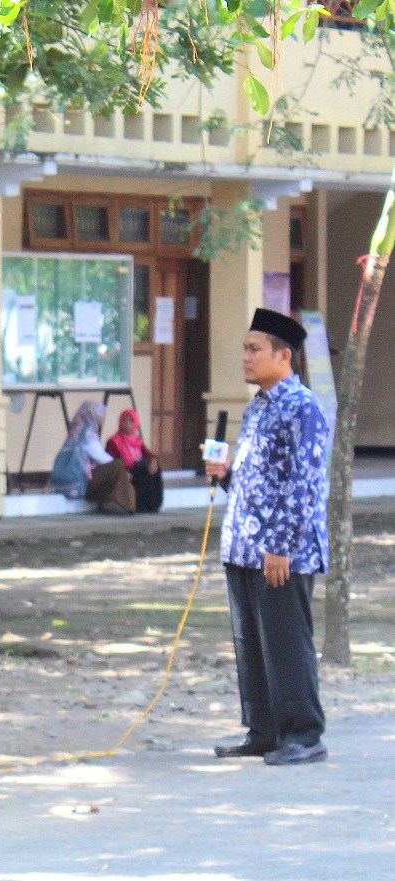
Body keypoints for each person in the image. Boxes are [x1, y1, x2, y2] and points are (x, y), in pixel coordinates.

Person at [206, 308, 330, 767]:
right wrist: (224, 475)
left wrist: (280, 544)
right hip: (243, 548)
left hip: (282, 552)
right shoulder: (258, 405)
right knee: (250, 642)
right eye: (245, 348)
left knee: (285, 642)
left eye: (254, 349)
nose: (246, 357)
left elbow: (305, 482)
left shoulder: (303, 408)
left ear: (284, 356)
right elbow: (256, 479)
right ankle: (263, 730)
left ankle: (303, 734)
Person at [50, 401, 136, 514]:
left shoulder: (76, 433)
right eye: (100, 416)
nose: (101, 420)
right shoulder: (87, 436)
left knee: (117, 468)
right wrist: (123, 470)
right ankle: (127, 506)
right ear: (92, 416)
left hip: (77, 481)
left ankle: (124, 504)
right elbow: (102, 458)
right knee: (118, 466)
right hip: (84, 482)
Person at [105, 408, 164, 514]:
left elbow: (149, 454)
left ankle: (153, 505)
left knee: (153, 467)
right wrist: (123, 472)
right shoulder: (114, 441)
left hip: (139, 468)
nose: (126, 424)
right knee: (144, 466)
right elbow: (111, 461)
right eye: (124, 420)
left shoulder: (137, 440)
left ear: (136, 423)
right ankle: (139, 505)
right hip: (126, 471)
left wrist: (154, 461)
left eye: (130, 421)